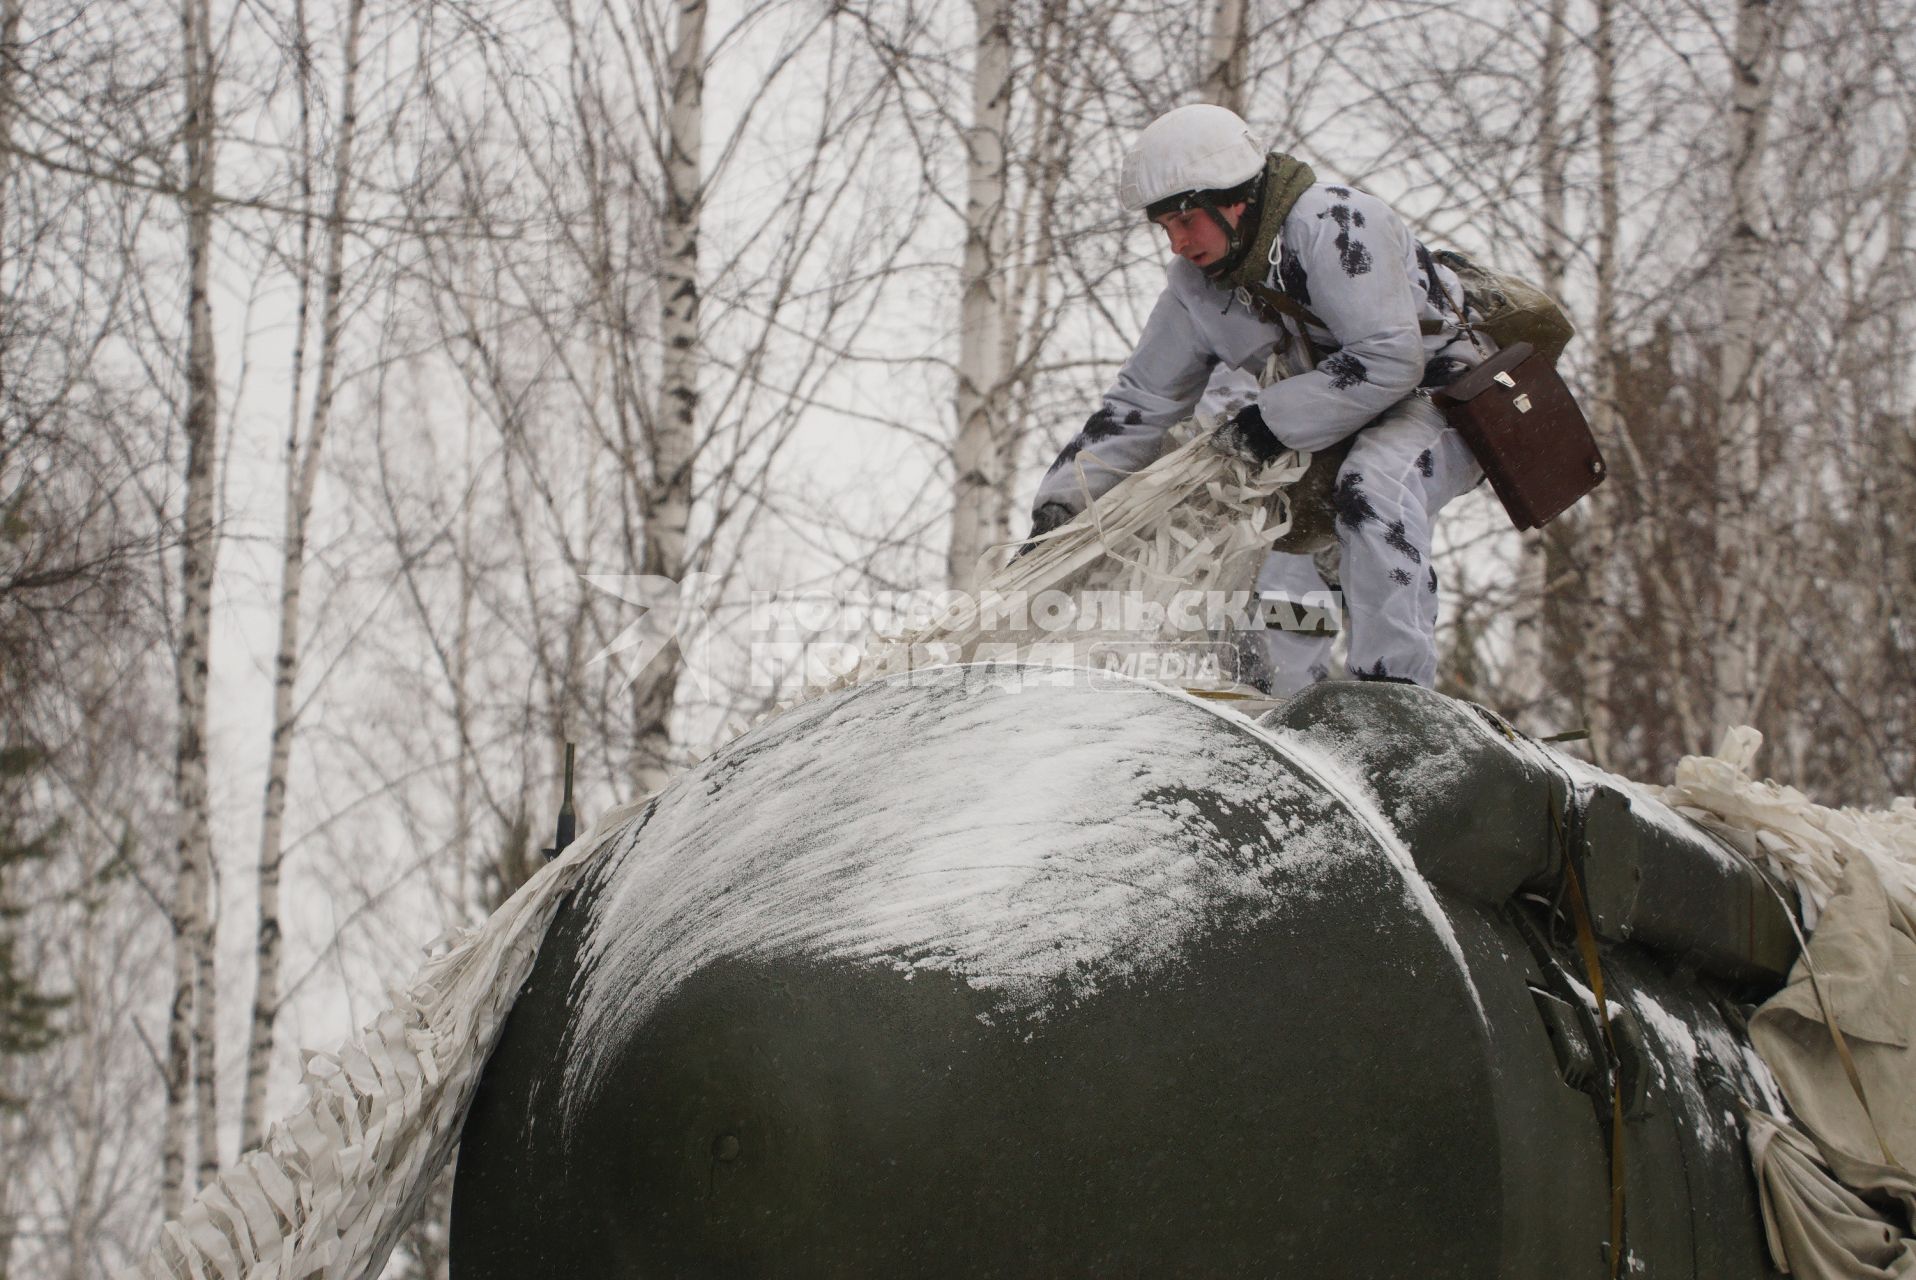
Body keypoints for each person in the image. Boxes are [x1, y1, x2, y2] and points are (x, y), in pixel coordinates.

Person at [1027, 104, 1485, 692]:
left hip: (1443, 389)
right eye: (1164, 226)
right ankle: (1251, 689)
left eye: (1186, 219)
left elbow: (1390, 358)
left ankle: (1392, 698)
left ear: (1234, 197)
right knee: (1215, 513)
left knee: (1374, 485)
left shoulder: (1336, 224)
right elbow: (1139, 400)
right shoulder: (1199, 288)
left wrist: (1267, 422)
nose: (1177, 242)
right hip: (1324, 413)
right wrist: (1062, 506)